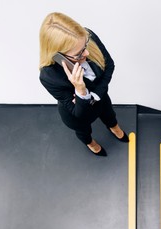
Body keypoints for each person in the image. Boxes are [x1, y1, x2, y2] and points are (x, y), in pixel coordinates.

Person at [39, 12, 128, 156]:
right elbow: (79, 114)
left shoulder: (87, 36)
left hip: (101, 97)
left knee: (110, 115)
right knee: (83, 131)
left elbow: (109, 65)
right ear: (58, 56)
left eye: (85, 45)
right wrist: (80, 90)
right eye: (78, 54)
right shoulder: (49, 76)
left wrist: (95, 95)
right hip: (75, 117)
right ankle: (90, 143)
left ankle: (114, 127)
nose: (87, 53)